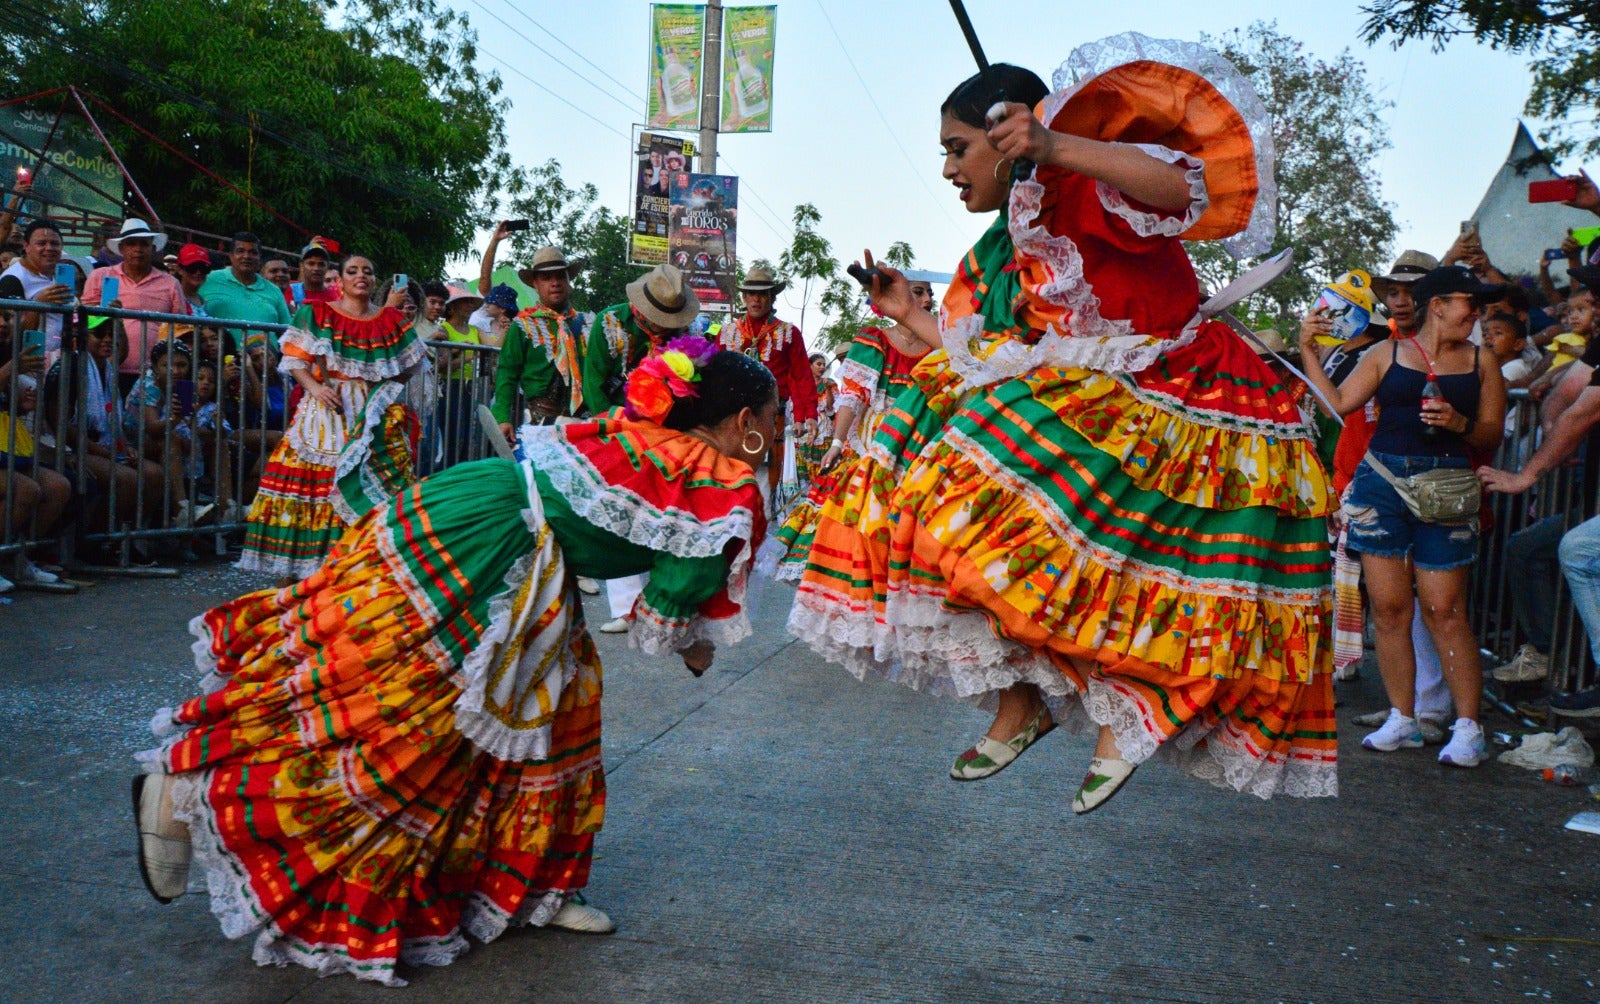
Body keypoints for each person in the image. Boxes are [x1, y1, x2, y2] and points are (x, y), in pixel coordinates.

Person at [790, 38, 1336, 811]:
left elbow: (1186, 189)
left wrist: (1056, 145)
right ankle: (1024, 702)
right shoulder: (1005, 237)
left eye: (957, 149)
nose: (948, 170)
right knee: (920, 514)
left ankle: (1136, 710)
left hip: (1182, 399)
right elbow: (974, 349)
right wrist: (906, 310)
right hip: (1095, 394)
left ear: (1007, 130)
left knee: (1028, 529)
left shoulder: (1081, 182)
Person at [131, 345, 776, 986]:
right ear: (744, 421)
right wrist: (692, 643)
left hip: (474, 509)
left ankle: (529, 890)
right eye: (776, 418)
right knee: (405, 724)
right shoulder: (720, 476)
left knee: (552, 723)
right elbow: (668, 604)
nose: (779, 432)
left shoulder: (643, 432)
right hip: (497, 558)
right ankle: (188, 795)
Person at [1299, 266, 1508, 766]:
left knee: (1445, 611)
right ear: (1437, 304)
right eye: (1467, 302)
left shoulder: (1483, 363)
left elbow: (1491, 437)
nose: (1474, 312)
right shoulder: (1385, 353)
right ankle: (1403, 718)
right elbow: (1341, 405)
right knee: (1390, 611)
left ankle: (1467, 726)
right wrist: (1307, 348)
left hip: (1446, 490)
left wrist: (1460, 424)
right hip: (1382, 486)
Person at [237, 255, 427, 579]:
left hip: (368, 414)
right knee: (313, 488)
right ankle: (298, 572)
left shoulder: (390, 320)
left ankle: (354, 568)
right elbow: (295, 360)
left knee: (369, 484)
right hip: (325, 411)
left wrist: (381, 391)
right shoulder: (317, 312)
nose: (361, 276)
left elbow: (411, 363)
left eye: (367, 270)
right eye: (353, 271)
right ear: (340, 279)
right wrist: (316, 388)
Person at [770, 279, 936, 581]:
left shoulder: (943, 346)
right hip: (871, 447)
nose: (926, 300)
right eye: (918, 292)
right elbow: (853, 397)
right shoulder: (875, 341)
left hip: (920, 449)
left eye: (929, 294)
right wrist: (836, 444)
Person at [581, 263, 702, 633]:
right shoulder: (607, 324)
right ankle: (625, 607)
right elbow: (594, 384)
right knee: (620, 510)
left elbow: (693, 385)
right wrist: (615, 426)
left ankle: (665, 602)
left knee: (668, 511)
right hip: (617, 427)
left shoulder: (687, 335)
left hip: (666, 430)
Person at [718, 264, 818, 501]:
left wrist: (808, 415)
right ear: (743, 297)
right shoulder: (728, 332)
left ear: (772, 297)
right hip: (731, 416)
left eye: (762, 294)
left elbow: (801, 375)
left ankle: (756, 530)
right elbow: (716, 375)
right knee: (727, 471)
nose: (756, 300)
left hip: (769, 415)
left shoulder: (788, 333)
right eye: (751, 294)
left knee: (763, 477)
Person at [492, 246, 592, 440]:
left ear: (568, 281)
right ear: (535, 285)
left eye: (560, 277)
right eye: (547, 278)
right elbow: (507, 373)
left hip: (584, 421)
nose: (555, 283)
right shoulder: (522, 326)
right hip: (540, 422)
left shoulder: (588, 322)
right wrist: (502, 418)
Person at [83, 218, 190, 392]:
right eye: (131, 244)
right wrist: (107, 314)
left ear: (153, 248)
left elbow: (180, 329)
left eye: (143, 244)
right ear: (122, 249)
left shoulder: (171, 283)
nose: (138, 249)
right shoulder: (99, 276)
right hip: (107, 367)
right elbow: (85, 321)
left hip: (155, 374)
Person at [198, 232, 292, 352]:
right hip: (221, 362)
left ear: (259, 258)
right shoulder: (209, 279)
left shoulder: (274, 290)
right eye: (240, 251)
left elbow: (288, 333)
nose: (246, 256)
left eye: (253, 252)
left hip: (264, 364)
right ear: (231, 255)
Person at [434, 288, 493, 466]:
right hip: (449, 386)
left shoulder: (475, 329)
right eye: (465, 301)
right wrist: (465, 356)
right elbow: (441, 366)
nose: (469, 305)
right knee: (451, 435)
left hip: (469, 387)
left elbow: (494, 345)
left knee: (468, 434)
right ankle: (447, 474)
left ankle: (463, 473)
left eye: (471, 302)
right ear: (453, 306)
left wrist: (507, 329)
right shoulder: (443, 329)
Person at [0, 219, 73, 358]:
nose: (49, 248)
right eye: (41, 243)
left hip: (57, 364)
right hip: (26, 368)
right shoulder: (12, 279)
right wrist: (37, 305)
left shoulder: (58, 276)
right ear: (26, 246)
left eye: (55, 243)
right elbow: (9, 337)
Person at [294, 238, 340, 306]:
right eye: (311, 264)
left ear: (327, 267)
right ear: (301, 266)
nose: (316, 268)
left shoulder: (334, 299)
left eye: (321, 264)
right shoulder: (289, 291)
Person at [174, 244, 212, 315]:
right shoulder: (172, 299)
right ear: (179, 269)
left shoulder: (204, 302)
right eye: (192, 267)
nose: (198, 272)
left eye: (203, 268)